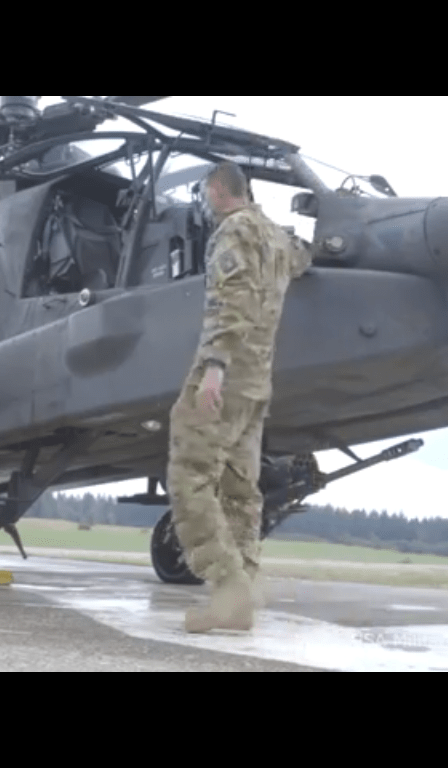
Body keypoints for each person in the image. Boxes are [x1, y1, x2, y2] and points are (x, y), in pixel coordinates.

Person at [167, 163, 313, 634]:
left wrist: (214, 366)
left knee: (189, 477)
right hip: (257, 386)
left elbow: (231, 300)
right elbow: (303, 257)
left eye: (206, 193)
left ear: (216, 189)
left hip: (226, 378)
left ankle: (229, 589)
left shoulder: (233, 232)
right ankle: (243, 592)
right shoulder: (274, 237)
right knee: (239, 491)